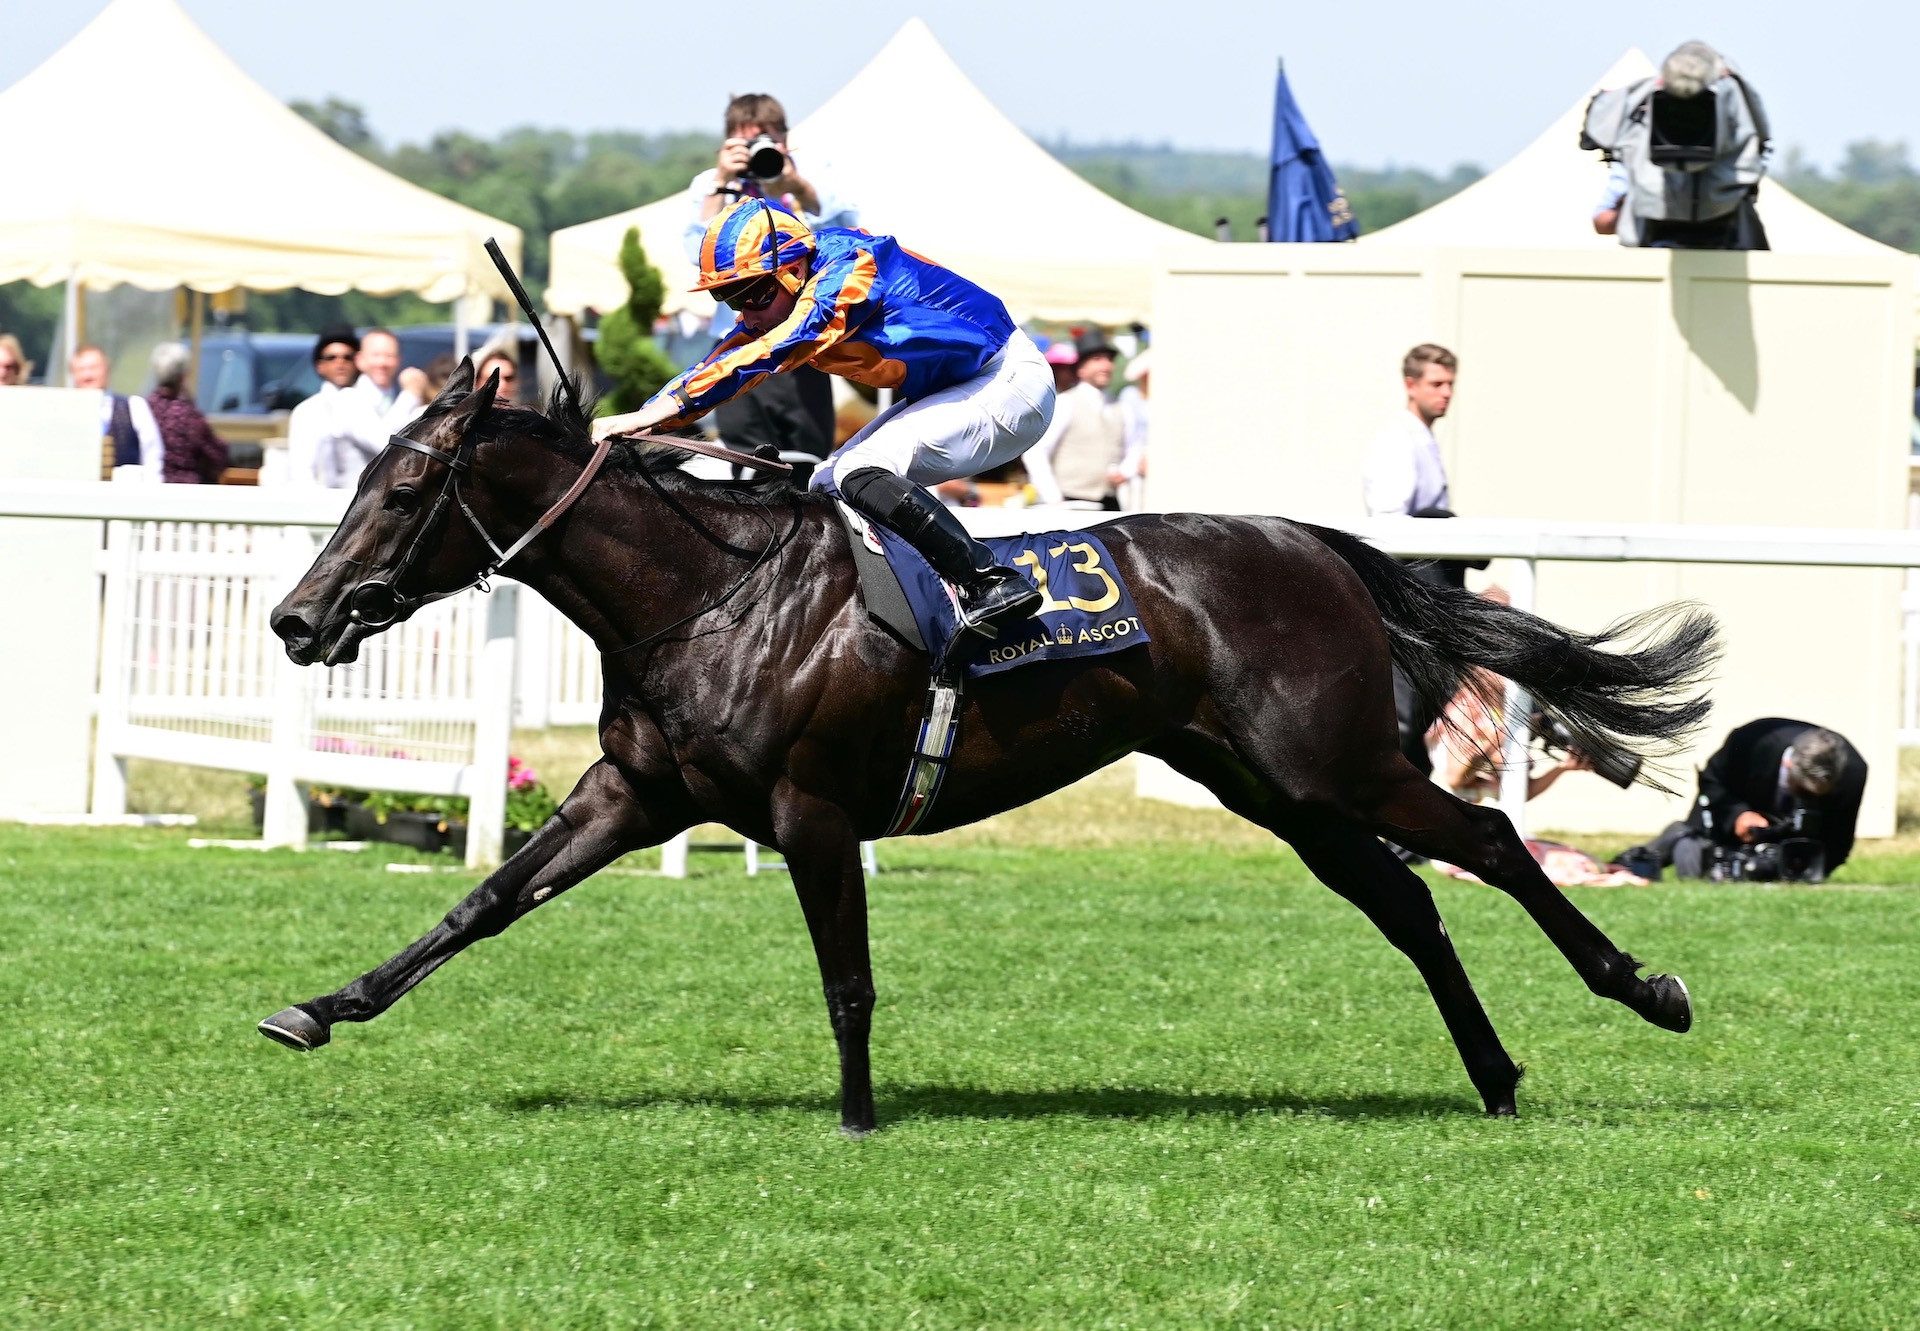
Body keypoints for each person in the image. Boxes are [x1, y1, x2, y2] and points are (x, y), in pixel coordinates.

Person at [594, 198, 1052, 639]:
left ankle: (991, 582)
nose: (745, 311)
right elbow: (724, 358)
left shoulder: (852, 268)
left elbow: (780, 346)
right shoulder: (779, 299)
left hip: (1008, 381)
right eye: (729, 297)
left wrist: (658, 412)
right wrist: (646, 419)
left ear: (794, 271)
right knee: (826, 484)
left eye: (753, 292)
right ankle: (901, 607)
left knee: (858, 470)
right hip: (956, 386)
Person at [683, 93, 856, 464]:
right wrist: (721, 184)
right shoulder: (709, 184)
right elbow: (698, 258)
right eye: (748, 142)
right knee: (746, 460)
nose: (760, 151)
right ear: (729, 142)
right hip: (741, 339)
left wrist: (795, 189)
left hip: (806, 337)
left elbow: (850, 237)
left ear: (785, 140)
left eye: (768, 140)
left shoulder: (812, 173)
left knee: (807, 456)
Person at [1617, 720, 1866, 881]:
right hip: (1724, 831)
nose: (1806, 797)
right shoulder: (1751, 742)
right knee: (1692, 859)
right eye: (1801, 788)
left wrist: (1807, 874)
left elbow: (1839, 842)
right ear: (1789, 764)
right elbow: (1712, 783)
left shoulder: (1853, 774)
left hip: (1781, 852)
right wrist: (1738, 814)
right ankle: (1654, 851)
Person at [1584, 41, 1770, 250]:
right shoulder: (1638, 128)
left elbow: (1604, 219)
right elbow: (1602, 219)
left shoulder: (1635, 125)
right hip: (1722, 252)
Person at [1023, 329, 1127, 509]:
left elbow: (1132, 447)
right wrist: (1053, 498)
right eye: (1097, 360)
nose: (1107, 366)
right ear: (1081, 368)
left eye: (1109, 360)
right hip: (1071, 500)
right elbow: (1035, 452)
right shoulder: (1066, 403)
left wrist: (1125, 470)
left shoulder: (1120, 406)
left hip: (1110, 501)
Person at [284, 325, 363, 487]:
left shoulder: (370, 404)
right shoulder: (307, 411)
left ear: (358, 363)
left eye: (347, 357)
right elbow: (301, 471)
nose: (340, 363)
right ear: (319, 365)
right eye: (331, 357)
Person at [68, 344, 163, 472]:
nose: (87, 375)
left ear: (107, 369)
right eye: (80, 369)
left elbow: (153, 457)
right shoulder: (65, 412)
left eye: (93, 368)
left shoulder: (134, 406)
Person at [145, 342, 228, 484]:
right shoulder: (188, 414)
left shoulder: (145, 408)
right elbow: (216, 455)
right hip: (186, 492)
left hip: (150, 487)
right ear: (183, 375)